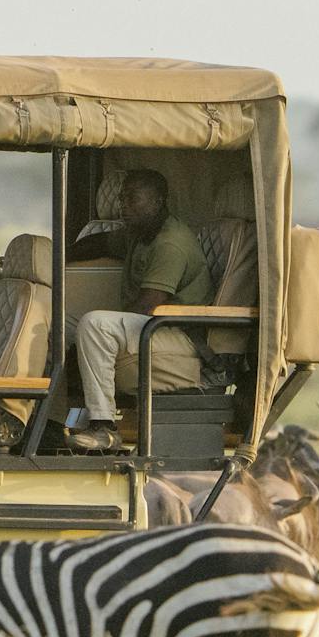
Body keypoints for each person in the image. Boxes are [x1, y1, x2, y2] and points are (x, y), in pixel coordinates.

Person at [67, 169, 211, 452]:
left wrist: (84, 346)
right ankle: (51, 421)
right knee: (61, 322)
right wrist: (61, 254)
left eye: (132, 199)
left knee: (95, 325)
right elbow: (99, 242)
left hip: (177, 334)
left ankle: (104, 427)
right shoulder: (140, 232)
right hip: (153, 327)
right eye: (122, 198)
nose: (123, 205)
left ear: (157, 202)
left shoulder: (171, 242)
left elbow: (148, 306)